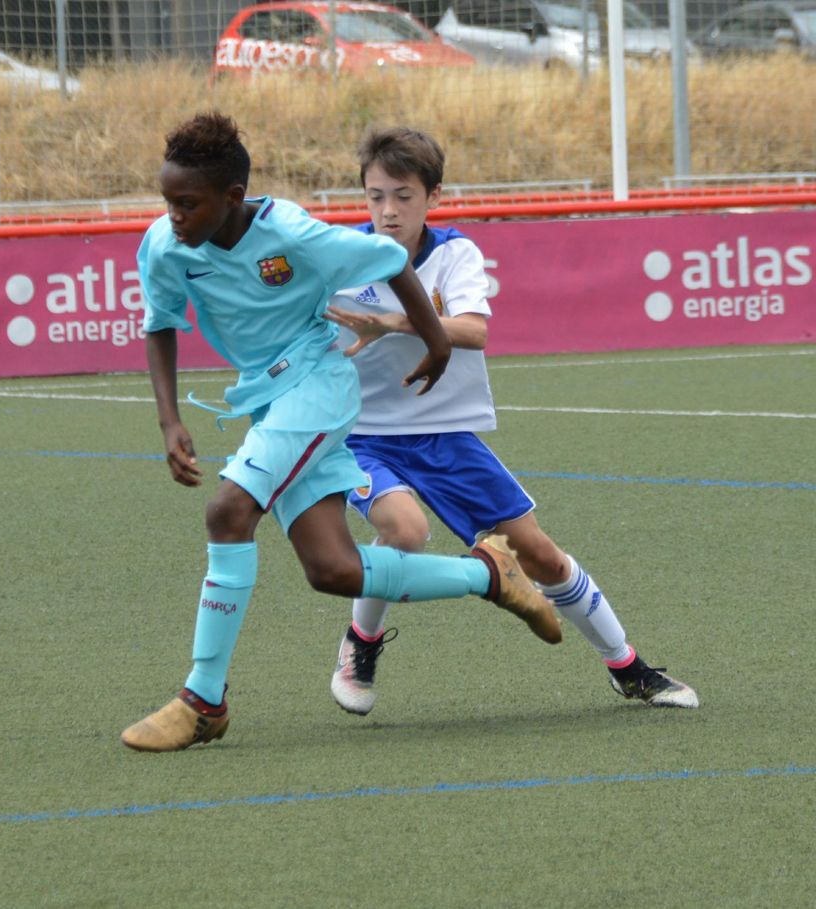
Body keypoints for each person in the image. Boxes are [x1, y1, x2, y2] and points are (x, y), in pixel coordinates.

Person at [120, 111, 562, 754]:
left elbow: (389, 259)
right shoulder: (165, 244)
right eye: (168, 201)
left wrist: (437, 342)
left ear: (233, 198)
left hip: (319, 386)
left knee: (227, 511)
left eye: (188, 204)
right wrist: (168, 419)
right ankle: (489, 575)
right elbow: (160, 322)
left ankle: (203, 699)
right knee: (333, 570)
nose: (174, 216)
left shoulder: (292, 234)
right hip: (268, 400)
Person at [324, 126, 698, 715]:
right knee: (405, 530)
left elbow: (473, 330)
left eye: (403, 195)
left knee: (542, 558)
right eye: (375, 196)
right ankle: (360, 644)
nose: (388, 211)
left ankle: (629, 669)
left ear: (434, 197)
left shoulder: (454, 254)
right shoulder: (339, 256)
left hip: (444, 435)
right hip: (364, 437)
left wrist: (394, 323)